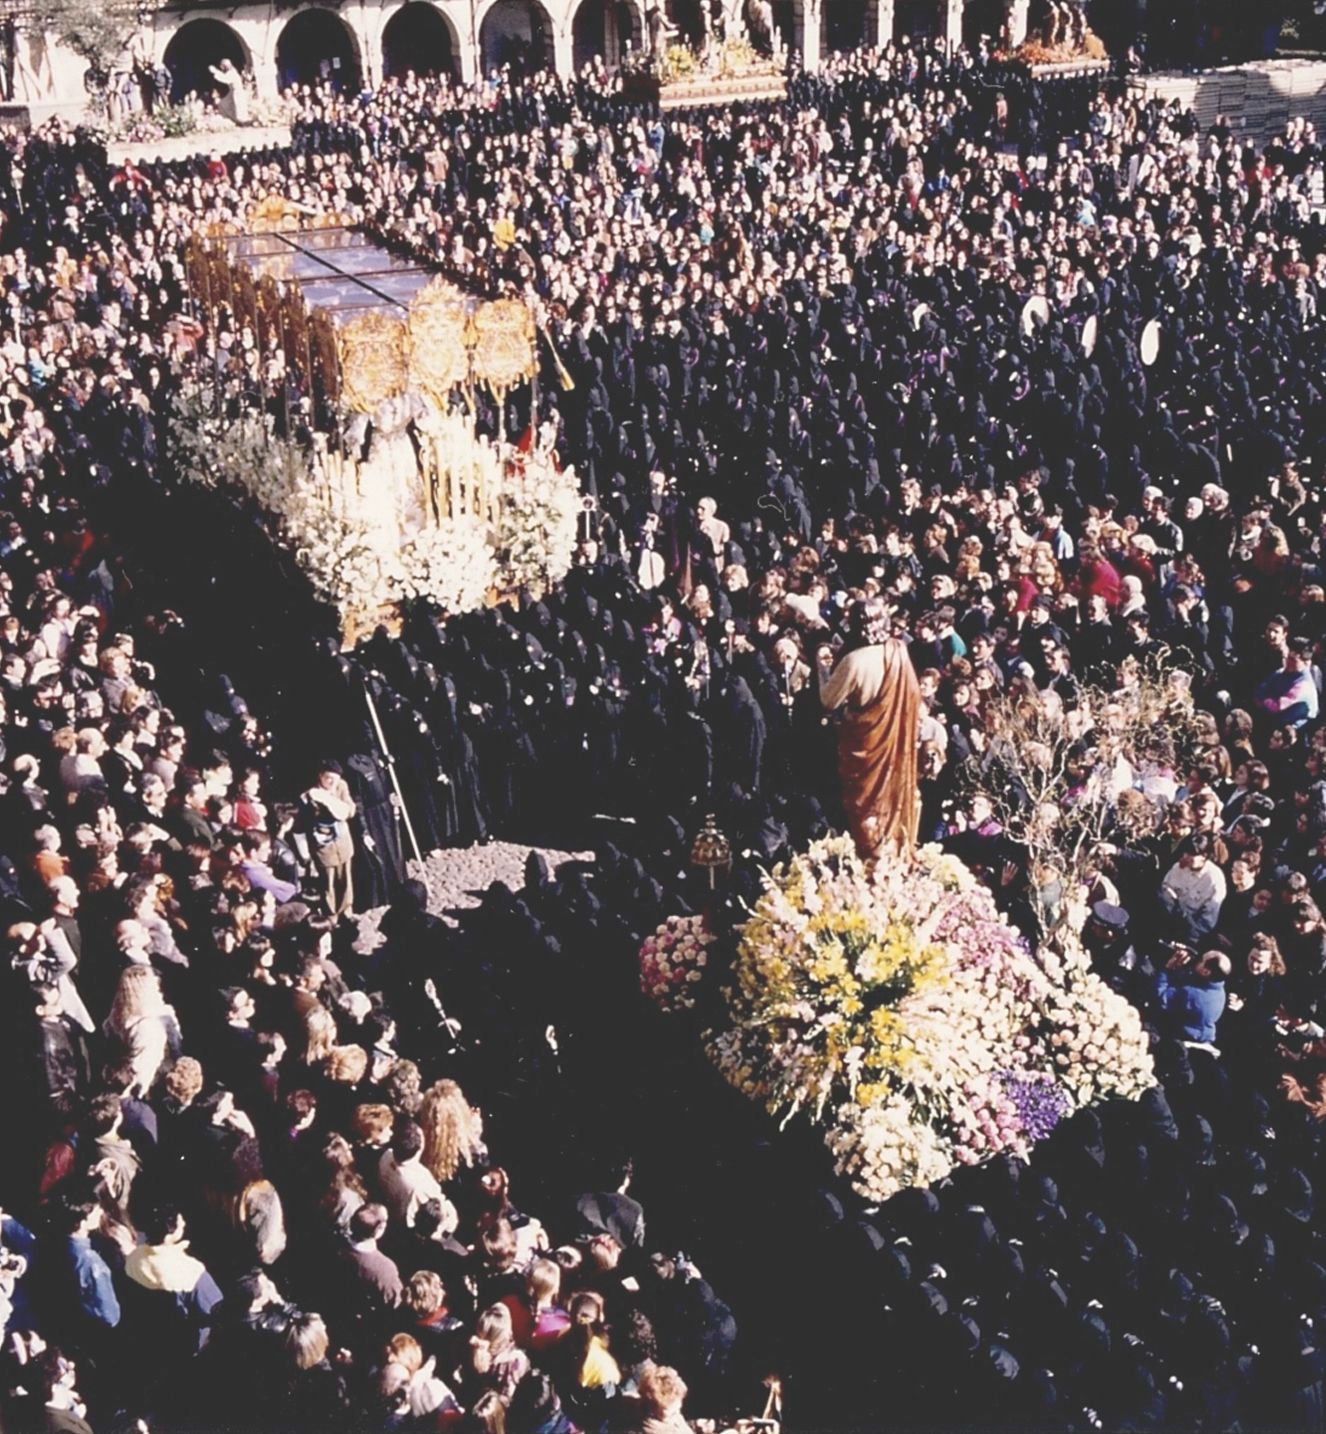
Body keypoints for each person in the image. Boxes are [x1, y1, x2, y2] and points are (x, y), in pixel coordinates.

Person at [818, 597, 922, 863]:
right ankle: (889, 849)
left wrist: (822, 670)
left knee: (863, 805)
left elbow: (828, 700)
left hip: (863, 744)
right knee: (888, 800)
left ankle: (872, 855)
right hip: (894, 743)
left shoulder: (854, 661)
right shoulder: (900, 653)